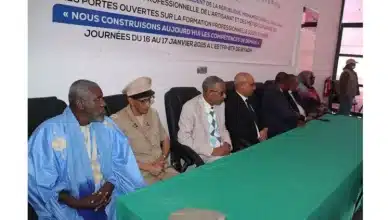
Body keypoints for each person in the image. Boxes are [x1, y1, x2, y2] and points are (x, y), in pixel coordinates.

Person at [28, 80, 146, 220]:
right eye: (98, 99)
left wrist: (107, 188)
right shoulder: (48, 133)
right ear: (80, 104)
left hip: (111, 194)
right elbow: (40, 183)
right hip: (68, 204)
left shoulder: (108, 126)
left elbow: (124, 164)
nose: (104, 103)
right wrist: (77, 202)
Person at [111, 77, 178, 185]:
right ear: (131, 100)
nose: (147, 105)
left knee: (185, 188)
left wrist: (163, 158)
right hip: (140, 173)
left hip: (163, 167)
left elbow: (165, 138)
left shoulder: (153, 113)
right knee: (157, 199)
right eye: (143, 101)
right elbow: (119, 157)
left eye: (150, 99)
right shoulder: (117, 121)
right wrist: (148, 167)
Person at [178, 76, 232, 163]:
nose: (225, 96)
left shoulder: (220, 104)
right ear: (210, 92)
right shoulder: (190, 107)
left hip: (222, 151)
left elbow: (223, 128)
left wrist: (227, 144)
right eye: (222, 93)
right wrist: (212, 151)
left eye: (225, 92)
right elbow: (183, 138)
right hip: (203, 154)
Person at [225, 72, 268, 152]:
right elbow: (239, 132)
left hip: (259, 139)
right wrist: (258, 136)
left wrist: (264, 129)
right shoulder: (231, 103)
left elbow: (261, 115)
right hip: (245, 145)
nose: (254, 88)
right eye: (252, 85)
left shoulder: (253, 97)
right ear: (241, 86)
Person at [262, 72, 303, 138]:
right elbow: (286, 113)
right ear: (284, 83)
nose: (289, 86)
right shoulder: (274, 93)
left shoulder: (276, 90)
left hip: (280, 123)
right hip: (277, 129)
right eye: (288, 83)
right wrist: (298, 118)